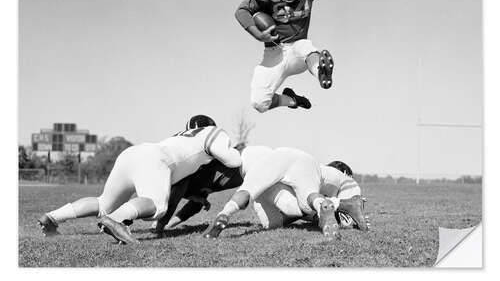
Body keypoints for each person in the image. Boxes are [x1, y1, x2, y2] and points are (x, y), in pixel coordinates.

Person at [38, 115, 241, 244]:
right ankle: (116, 220)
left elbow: (180, 184)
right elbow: (233, 160)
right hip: (156, 159)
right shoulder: (213, 132)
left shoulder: (180, 137)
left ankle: (53, 217)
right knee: (156, 206)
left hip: (133, 153)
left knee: (102, 203)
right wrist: (235, 153)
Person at [235, 0, 366, 113]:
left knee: (304, 47)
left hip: (297, 50)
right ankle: (291, 99)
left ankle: (320, 69)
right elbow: (241, 11)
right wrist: (258, 34)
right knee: (259, 103)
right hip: (274, 52)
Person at [203, 146, 368, 240]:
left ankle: (224, 213)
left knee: (249, 193)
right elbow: (271, 223)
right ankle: (337, 205)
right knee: (297, 206)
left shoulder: (253, 160)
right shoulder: (336, 176)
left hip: (274, 162)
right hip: (296, 160)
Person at [252, 160, 368, 231]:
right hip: (280, 183)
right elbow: (346, 223)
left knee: (271, 223)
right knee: (271, 224)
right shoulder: (339, 179)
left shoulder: (330, 180)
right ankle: (344, 205)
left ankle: (342, 206)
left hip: (276, 183)